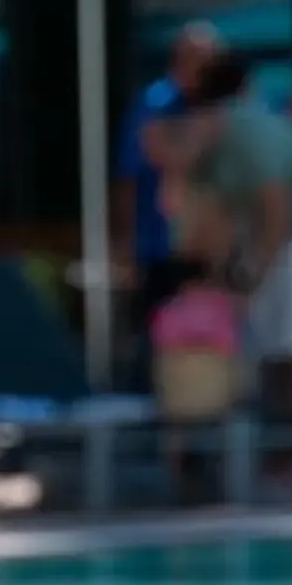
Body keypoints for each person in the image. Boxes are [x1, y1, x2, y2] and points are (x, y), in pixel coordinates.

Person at [152, 61, 292, 423]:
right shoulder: (203, 161)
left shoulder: (248, 133)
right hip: (270, 231)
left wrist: (252, 281)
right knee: (266, 337)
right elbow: (212, 231)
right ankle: (273, 438)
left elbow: (279, 211)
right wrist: (213, 290)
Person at [116, 22, 221, 351]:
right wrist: (125, 247)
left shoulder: (217, 106)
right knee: (157, 336)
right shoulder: (155, 104)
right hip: (158, 244)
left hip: (207, 245)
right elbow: (129, 178)